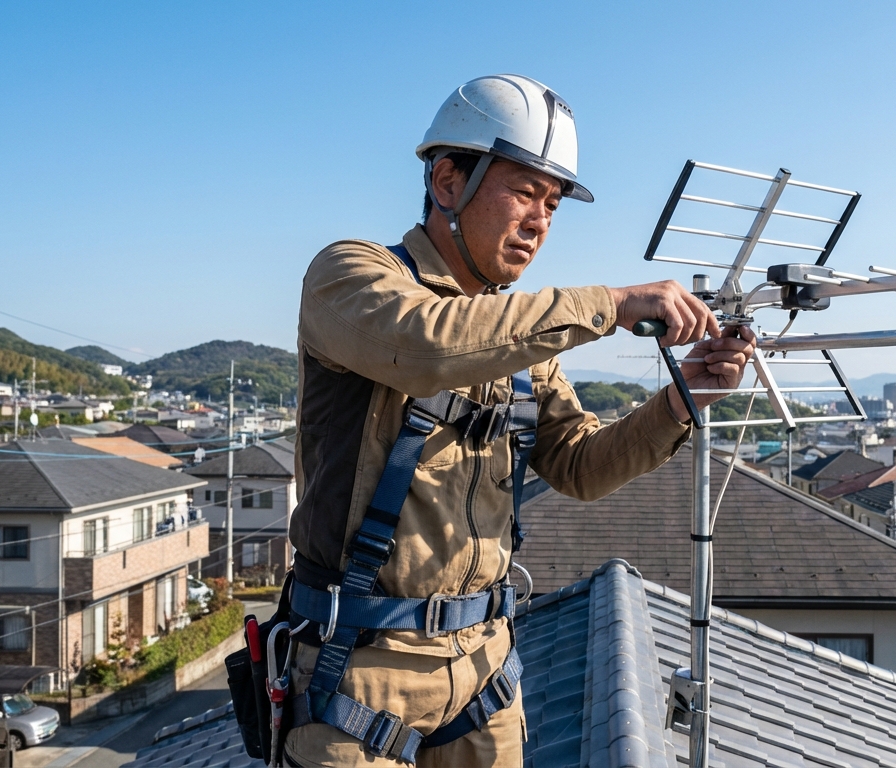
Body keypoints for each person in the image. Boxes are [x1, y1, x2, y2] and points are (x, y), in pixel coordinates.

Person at [282, 74, 756, 768]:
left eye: (554, 203)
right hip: (359, 666)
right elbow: (427, 346)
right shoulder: (351, 276)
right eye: (525, 192)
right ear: (448, 181)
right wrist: (611, 303)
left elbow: (580, 466)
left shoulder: (522, 340)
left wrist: (684, 401)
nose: (540, 220)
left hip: (485, 666)